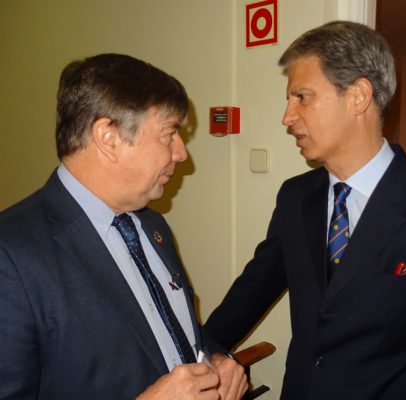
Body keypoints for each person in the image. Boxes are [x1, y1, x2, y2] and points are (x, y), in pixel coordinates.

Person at [204, 20, 406, 399]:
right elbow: (250, 294)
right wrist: (195, 359)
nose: (287, 117)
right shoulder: (296, 197)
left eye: (302, 97)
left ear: (358, 97)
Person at [0, 53, 247, 400]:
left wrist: (217, 359)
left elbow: (176, 330)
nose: (181, 153)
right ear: (109, 137)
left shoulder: (151, 226)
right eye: (169, 134)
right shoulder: (11, 256)